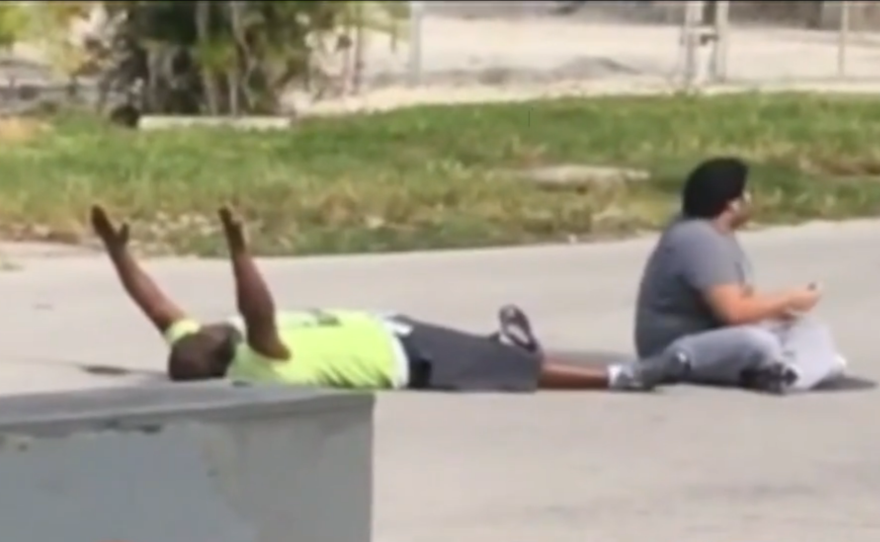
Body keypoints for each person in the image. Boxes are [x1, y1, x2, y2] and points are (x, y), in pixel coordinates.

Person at [91, 205, 689, 393]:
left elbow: (159, 308)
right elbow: (258, 310)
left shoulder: (202, 346)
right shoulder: (260, 358)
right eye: (216, 332)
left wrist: (117, 251)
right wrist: (238, 247)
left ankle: (535, 356)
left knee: (496, 357)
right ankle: (618, 377)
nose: (209, 325)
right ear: (224, 354)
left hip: (393, 330)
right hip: (407, 359)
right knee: (517, 369)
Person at [633, 157, 847, 394]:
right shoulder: (698, 239)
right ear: (733, 204)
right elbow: (734, 313)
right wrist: (790, 299)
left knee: (809, 330)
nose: (753, 199)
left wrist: (779, 315)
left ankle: (789, 372)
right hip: (677, 345)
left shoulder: (719, 234)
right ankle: (796, 368)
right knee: (758, 343)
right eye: (747, 193)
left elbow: (745, 300)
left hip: (716, 336)